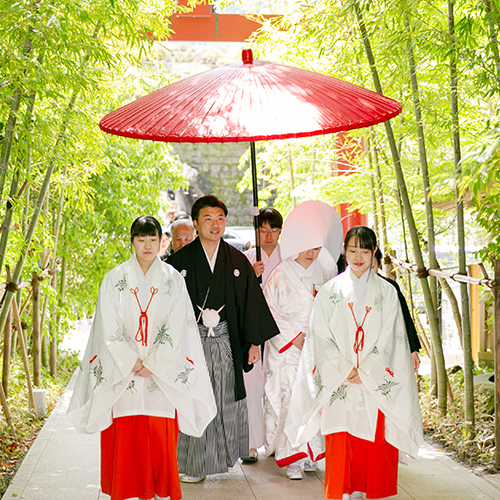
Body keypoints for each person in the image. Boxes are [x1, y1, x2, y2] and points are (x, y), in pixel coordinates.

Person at [67, 215, 216, 500]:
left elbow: (179, 325)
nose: (147, 246)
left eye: (153, 239)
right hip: (125, 373)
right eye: (141, 239)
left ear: (162, 241)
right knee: (127, 434)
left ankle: (159, 488)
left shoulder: (173, 280)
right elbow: (106, 327)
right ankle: (125, 490)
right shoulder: (114, 279)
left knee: (159, 434)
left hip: (161, 374)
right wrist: (131, 361)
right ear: (132, 242)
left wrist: (154, 362)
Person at [285, 226, 423, 500]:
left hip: (374, 378)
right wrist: (344, 367)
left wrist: (367, 368)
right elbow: (320, 336)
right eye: (352, 250)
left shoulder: (387, 291)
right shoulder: (329, 291)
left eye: (364, 250)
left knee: (374, 439)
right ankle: (343, 490)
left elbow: (392, 337)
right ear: (344, 252)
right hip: (341, 378)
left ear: (373, 252)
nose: (358, 256)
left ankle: (367, 490)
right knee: (341, 436)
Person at [167, 195, 280, 483]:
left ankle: (222, 456)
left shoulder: (235, 259)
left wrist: (254, 343)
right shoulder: (178, 261)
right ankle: (193, 463)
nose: (215, 224)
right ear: (195, 223)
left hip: (226, 343)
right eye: (208, 219)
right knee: (193, 398)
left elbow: (249, 304)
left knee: (225, 399)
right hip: (190, 345)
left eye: (220, 219)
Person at [262, 201, 342, 480]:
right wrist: (293, 336)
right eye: (307, 246)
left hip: (316, 345)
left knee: (315, 398)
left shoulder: (326, 271)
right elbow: (269, 311)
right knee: (289, 400)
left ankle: (309, 454)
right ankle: (290, 457)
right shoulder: (280, 274)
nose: (312, 253)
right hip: (289, 348)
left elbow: (334, 306)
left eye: (317, 248)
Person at [241, 207, 283, 463]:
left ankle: (278, 441)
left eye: (273, 231)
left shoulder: (289, 258)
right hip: (254, 329)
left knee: (279, 386)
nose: (268, 236)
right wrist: (250, 276)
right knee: (254, 387)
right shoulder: (244, 258)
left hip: (281, 330)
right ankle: (252, 443)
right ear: (256, 232)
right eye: (263, 230)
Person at [372, 248, 421, 373]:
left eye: (372, 266)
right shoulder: (344, 289)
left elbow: (404, 316)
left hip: (390, 346)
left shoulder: (390, 287)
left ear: (379, 264)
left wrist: (412, 350)